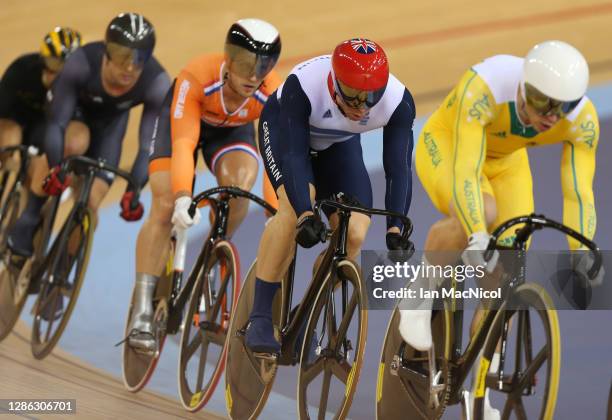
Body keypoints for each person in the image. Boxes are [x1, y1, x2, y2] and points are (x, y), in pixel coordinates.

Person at [398, 40, 602, 419]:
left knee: (507, 268)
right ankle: (419, 293)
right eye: (543, 102)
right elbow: (465, 171)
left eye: (564, 107)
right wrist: (477, 231)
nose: (551, 116)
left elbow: (578, 193)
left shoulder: (582, 122)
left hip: (506, 165)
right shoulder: (485, 88)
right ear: (523, 86)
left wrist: (582, 254)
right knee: (483, 214)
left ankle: (480, 389)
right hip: (449, 146)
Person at [244, 38, 416, 354]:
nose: (361, 106)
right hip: (286, 135)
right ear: (335, 82)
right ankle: (259, 317)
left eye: (370, 98)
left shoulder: (398, 101)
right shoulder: (304, 84)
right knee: (292, 212)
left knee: (354, 233)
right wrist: (307, 213)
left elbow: (398, 168)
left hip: (336, 147)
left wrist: (395, 228)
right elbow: (295, 156)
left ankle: (306, 313)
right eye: (352, 95)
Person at [127, 18, 282, 352]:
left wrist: (276, 213)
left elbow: (274, 157)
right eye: (245, 65)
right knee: (166, 205)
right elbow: (184, 144)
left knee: (241, 188)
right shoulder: (198, 76)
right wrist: (184, 195)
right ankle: (141, 307)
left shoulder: (272, 92)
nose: (254, 75)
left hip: (229, 134)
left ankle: (215, 248)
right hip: (180, 125)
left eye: (264, 66)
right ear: (228, 60)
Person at [7, 12, 171, 319]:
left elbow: (150, 143)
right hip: (73, 119)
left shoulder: (156, 81)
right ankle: (29, 218)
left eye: (140, 59)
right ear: (107, 52)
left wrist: (135, 189)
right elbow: (56, 123)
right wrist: (56, 168)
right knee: (74, 143)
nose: (130, 67)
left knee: (92, 205)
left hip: (110, 131)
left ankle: (61, 275)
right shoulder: (82, 62)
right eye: (123, 57)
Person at [0, 27, 82, 169]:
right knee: (10, 133)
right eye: (52, 63)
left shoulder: (78, 84)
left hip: (43, 128)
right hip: (15, 120)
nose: (56, 72)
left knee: (38, 166)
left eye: (67, 68)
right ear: (42, 59)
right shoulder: (22, 70)